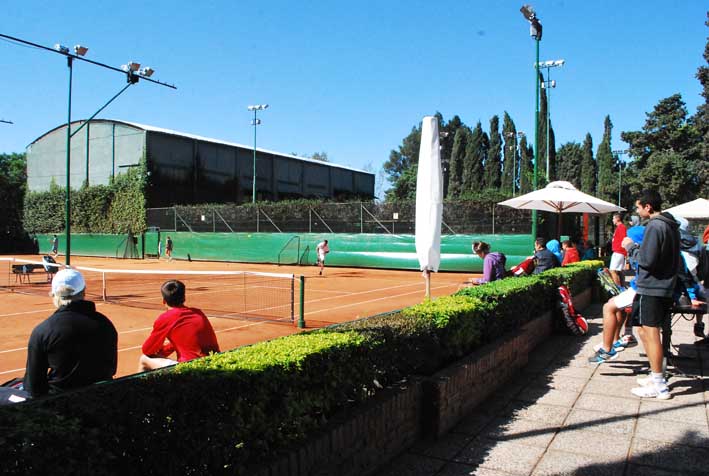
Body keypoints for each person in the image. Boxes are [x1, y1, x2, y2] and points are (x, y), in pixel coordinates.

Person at [24, 268, 118, 398]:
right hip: (103, 402)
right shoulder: (106, 324)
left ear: (54, 295)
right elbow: (111, 369)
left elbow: (33, 387)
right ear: (84, 292)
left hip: (61, 408)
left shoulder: (43, 331)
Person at [622, 190, 680, 400]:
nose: (637, 211)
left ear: (648, 207)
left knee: (651, 332)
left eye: (638, 207)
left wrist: (630, 247)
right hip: (660, 286)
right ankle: (656, 374)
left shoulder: (655, 226)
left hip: (652, 287)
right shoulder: (670, 226)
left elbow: (647, 260)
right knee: (646, 331)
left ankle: (659, 384)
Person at [589, 226, 645, 365]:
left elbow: (642, 276)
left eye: (628, 237)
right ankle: (619, 338)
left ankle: (608, 350)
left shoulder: (638, 253)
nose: (624, 240)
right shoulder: (639, 252)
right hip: (639, 288)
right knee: (615, 304)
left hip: (642, 290)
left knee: (609, 307)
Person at [139, 280, 220, 371]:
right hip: (214, 363)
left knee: (144, 359)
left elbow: (147, 350)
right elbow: (188, 339)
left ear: (164, 301)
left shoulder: (165, 318)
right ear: (184, 298)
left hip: (190, 368)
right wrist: (166, 350)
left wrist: (161, 352)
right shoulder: (198, 313)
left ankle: (138, 385)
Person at [609, 213, 628, 287]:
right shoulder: (619, 227)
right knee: (618, 271)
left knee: (613, 270)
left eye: (613, 218)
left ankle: (618, 288)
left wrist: (625, 252)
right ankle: (621, 287)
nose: (612, 220)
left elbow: (624, 240)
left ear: (617, 219)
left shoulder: (621, 227)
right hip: (619, 252)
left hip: (619, 252)